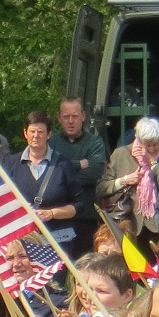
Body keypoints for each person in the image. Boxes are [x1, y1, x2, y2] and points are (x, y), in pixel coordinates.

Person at [5, 111, 79, 246]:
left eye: (40, 132)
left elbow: (79, 205)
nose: (36, 136)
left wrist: (52, 213)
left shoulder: (63, 164)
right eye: (32, 131)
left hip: (59, 240)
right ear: (25, 133)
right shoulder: (12, 163)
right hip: (24, 239)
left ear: (49, 134)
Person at [99, 117, 159, 244]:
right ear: (137, 140)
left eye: (155, 144)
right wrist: (124, 180)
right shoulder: (120, 155)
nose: (151, 149)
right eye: (147, 145)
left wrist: (154, 165)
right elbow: (101, 188)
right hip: (130, 225)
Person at [50, 96, 109, 236]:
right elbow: (48, 172)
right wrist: (79, 164)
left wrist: (61, 174)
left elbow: (95, 172)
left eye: (75, 116)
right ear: (58, 117)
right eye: (66, 117)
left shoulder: (95, 143)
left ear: (83, 116)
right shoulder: (51, 143)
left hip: (86, 217)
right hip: (58, 217)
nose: (71, 121)